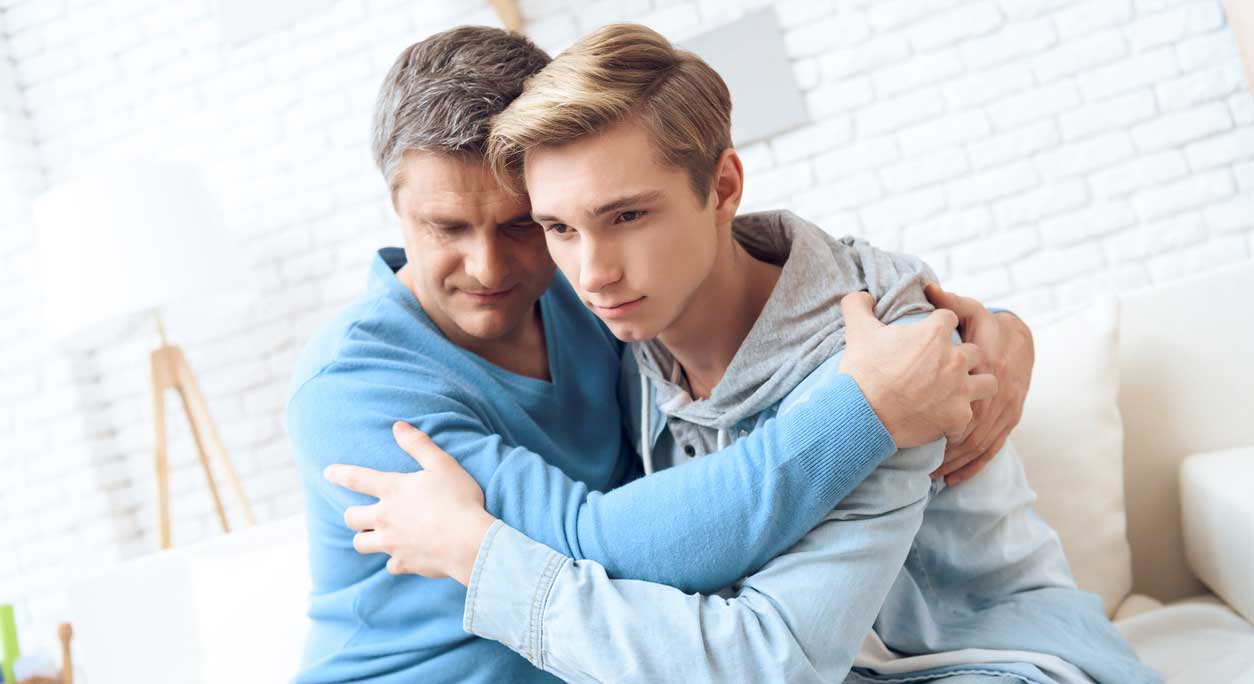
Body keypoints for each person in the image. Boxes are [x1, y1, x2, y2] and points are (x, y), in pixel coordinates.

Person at [335, 24, 1161, 684]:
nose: (592, 272)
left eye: (628, 216)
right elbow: (602, 538)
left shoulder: (883, 363)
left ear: (725, 186)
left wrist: (988, 339)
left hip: (986, 665)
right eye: (556, 227)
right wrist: (1007, 329)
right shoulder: (613, 320)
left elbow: (763, 662)